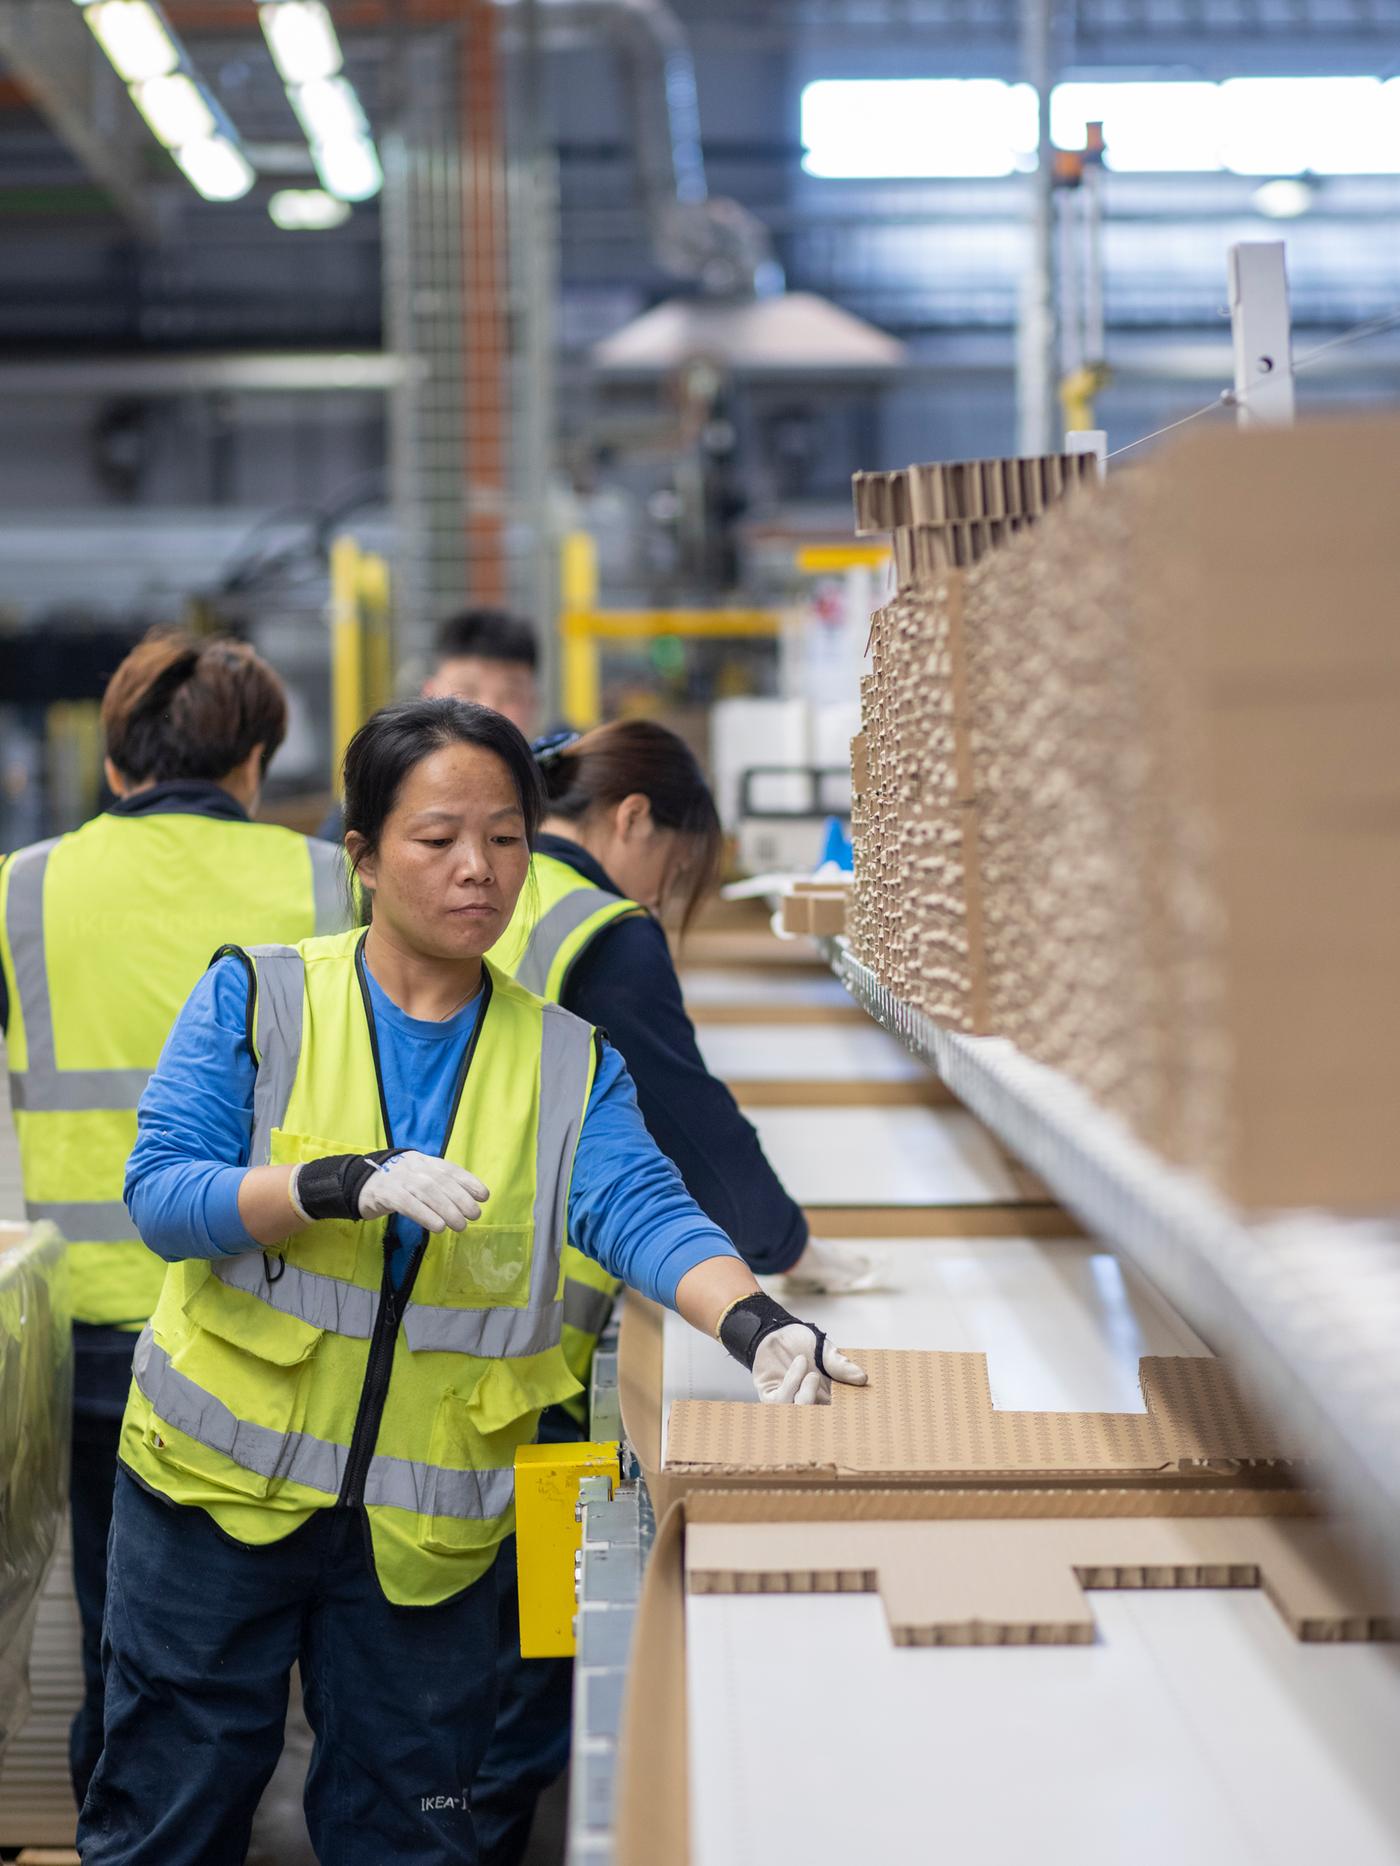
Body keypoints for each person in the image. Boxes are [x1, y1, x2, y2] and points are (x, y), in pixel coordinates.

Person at [77, 698, 862, 1866]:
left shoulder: (561, 1058)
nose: (476, 870)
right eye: (437, 838)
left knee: (408, 1837)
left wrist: (752, 1321)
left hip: (422, 1543)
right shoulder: (259, 995)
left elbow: (639, 1208)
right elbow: (164, 1195)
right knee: (168, 1825)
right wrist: (330, 1183)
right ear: (362, 855)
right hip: (211, 1506)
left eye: (504, 838)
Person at [474, 718, 871, 1865]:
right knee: (524, 1679)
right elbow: (684, 1118)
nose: (662, 896)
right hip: (526, 1374)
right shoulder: (602, 931)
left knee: (436, 1691)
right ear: (632, 819)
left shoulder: (483, 886)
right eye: (674, 871)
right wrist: (782, 1242)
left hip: (420, 1349)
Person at [0, 630, 349, 1811]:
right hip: (282, 1320)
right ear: (254, 762)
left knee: (124, 1627)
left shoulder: (25, 886)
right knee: (310, 1616)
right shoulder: (321, 881)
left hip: (97, 1330)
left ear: (113, 763)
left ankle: (139, 1819)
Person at [318, 608, 539, 842]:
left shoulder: (562, 797)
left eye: (511, 695)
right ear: (429, 695)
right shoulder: (383, 785)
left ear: (534, 704)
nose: (488, 709)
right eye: (468, 690)